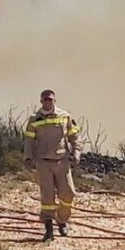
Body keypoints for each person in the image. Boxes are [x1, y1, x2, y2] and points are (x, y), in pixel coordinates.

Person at [23, 89, 81, 241]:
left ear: (55, 100)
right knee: (47, 197)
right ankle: (48, 230)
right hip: (43, 163)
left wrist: (76, 154)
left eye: (50, 100)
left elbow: (74, 137)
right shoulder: (34, 120)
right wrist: (28, 158)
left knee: (68, 193)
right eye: (45, 100)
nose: (48, 102)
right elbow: (29, 141)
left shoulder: (65, 116)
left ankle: (62, 220)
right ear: (41, 101)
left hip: (62, 162)